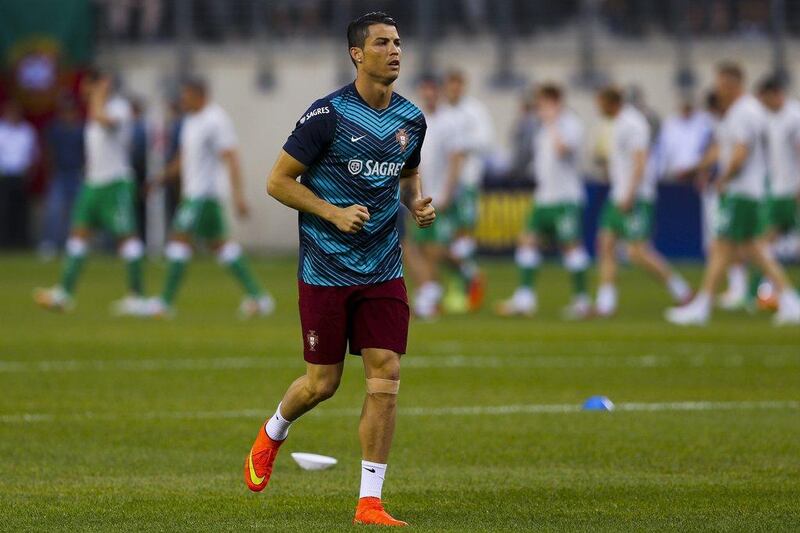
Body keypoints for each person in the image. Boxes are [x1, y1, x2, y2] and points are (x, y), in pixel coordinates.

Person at [243, 12, 434, 527]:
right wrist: (331, 212)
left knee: (386, 374)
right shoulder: (326, 115)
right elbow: (278, 182)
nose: (394, 50)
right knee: (322, 384)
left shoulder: (411, 119)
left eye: (398, 42)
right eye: (382, 43)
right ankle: (274, 431)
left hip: (383, 269)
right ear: (357, 53)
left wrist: (415, 203)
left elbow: (409, 173)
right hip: (326, 270)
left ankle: (369, 501)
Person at [666, 63, 800, 326]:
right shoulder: (741, 112)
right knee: (753, 249)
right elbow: (723, 149)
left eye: (719, 83)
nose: (716, 89)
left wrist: (722, 179)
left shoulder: (744, 112)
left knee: (722, 246)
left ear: (731, 83)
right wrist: (696, 167)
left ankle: (702, 306)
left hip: (743, 191)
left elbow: (740, 151)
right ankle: (790, 300)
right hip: (751, 191)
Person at [139, 78, 273, 318]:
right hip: (196, 195)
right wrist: (160, 179)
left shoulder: (215, 119)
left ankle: (164, 303)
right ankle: (259, 297)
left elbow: (231, 156)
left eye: (186, 95)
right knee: (222, 247)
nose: (182, 100)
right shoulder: (191, 120)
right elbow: (184, 158)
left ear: (200, 95)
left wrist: (238, 196)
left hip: (204, 195)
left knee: (179, 240)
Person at [33, 70, 146, 313]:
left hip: (115, 183)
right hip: (93, 184)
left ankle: (136, 296)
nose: (83, 91)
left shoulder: (118, 107)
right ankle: (64, 293)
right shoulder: (95, 108)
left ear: (101, 85)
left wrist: (98, 94)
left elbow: (100, 118)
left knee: (127, 238)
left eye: (88, 86)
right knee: (78, 235)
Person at [496, 83, 591, 319]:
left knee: (571, 247)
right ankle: (525, 299)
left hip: (565, 197)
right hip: (544, 197)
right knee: (527, 240)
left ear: (555, 102)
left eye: (543, 103)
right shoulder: (541, 129)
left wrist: (551, 123)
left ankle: (582, 302)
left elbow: (563, 150)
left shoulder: (571, 124)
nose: (539, 108)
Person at [594, 86, 692, 317]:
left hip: (636, 196)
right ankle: (606, 303)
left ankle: (683, 291)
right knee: (606, 243)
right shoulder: (618, 122)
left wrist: (630, 193)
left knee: (637, 252)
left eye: (599, 103)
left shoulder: (633, 124)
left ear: (610, 102)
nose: (597, 109)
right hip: (618, 193)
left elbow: (641, 161)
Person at [746, 76, 800, 308]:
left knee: (759, 243)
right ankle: (762, 293)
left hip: (790, 192)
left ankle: (761, 293)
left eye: (764, 98)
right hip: (778, 192)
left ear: (774, 93)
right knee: (761, 243)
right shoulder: (771, 119)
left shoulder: (794, 117)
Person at [38, 97, 84, 259]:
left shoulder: (80, 129)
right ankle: (49, 243)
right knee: (54, 210)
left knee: (77, 212)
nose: (68, 115)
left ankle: (73, 244)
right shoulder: (55, 129)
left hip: (76, 173)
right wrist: (50, 172)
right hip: (60, 173)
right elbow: (48, 153)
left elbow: (85, 153)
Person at [0, 100, 37, 249]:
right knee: (3, 211)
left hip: (21, 176)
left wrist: (29, 173)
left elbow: (34, 155)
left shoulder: (27, 130)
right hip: (3, 176)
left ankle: (20, 243)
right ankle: (3, 242)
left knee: (21, 212)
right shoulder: (1, 129)